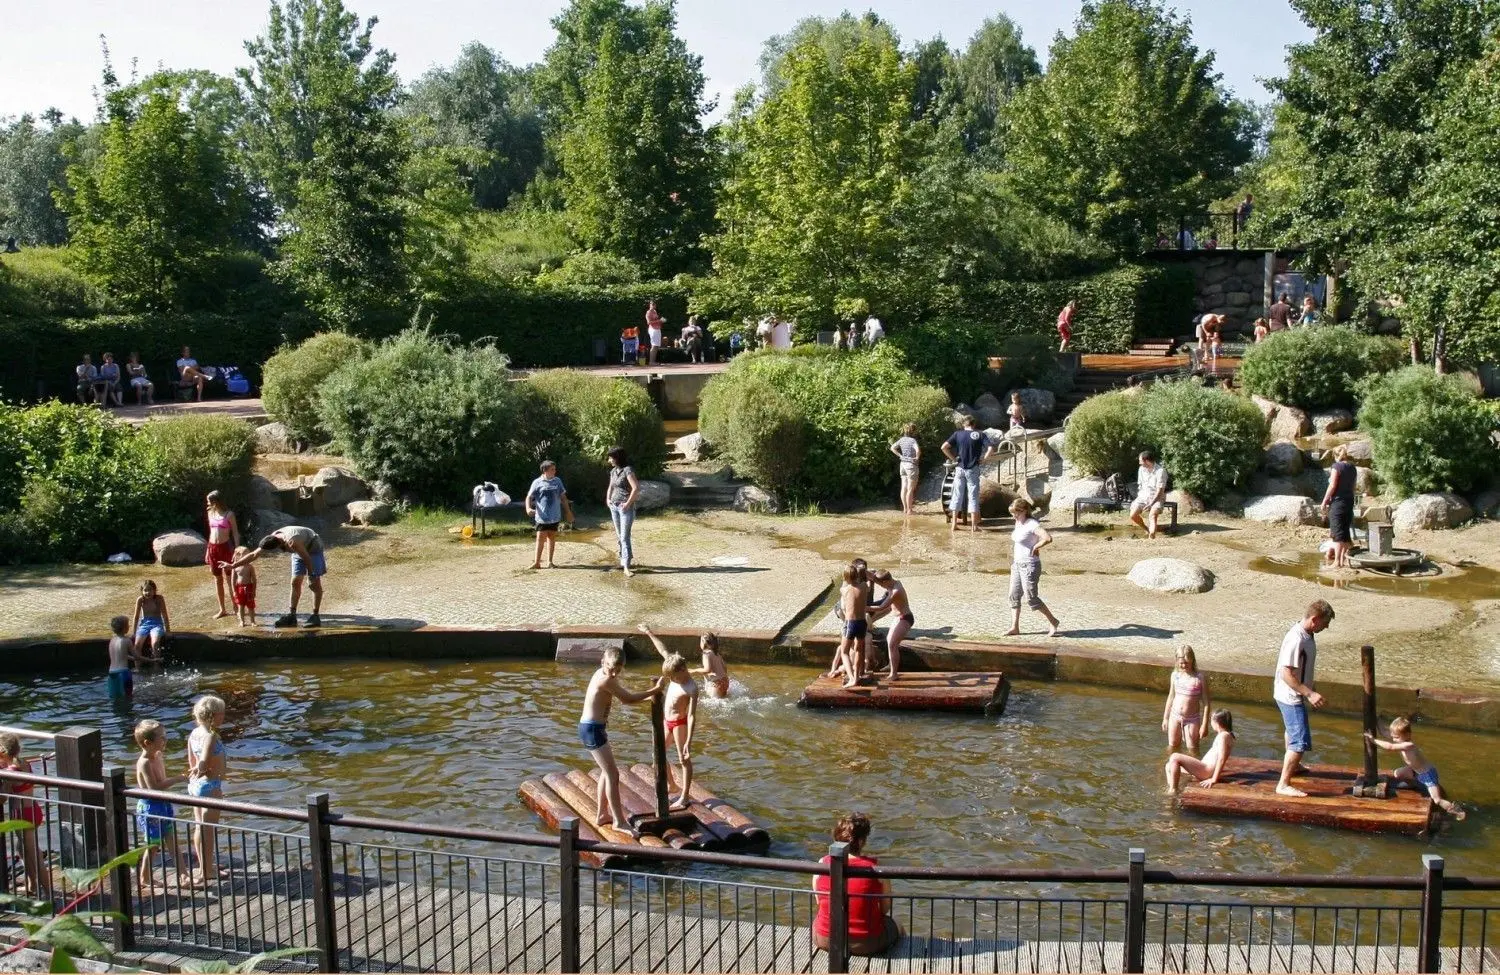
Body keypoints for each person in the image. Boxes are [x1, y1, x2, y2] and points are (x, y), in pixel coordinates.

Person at [579, 646, 664, 836]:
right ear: (603, 662)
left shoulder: (603, 674)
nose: (614, 673)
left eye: (618, 670)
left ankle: (602, 814)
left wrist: (648, 697)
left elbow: (625, 697)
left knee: (607, 772)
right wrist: (655, 690)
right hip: (592, 730)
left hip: (594, 729)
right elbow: (627, 699)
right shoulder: (605, 679)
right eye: (611, 668)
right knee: (613, 774)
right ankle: (618, 821)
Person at [812, 812, 900, 957]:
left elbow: (819, 901)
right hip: (866, 943)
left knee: (818, 919)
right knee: (897, 925)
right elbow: (885, 909)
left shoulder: (822, 863)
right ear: (861, 841)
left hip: (826, 939)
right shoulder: (876, 868)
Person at [1274, 600, 1334, 797]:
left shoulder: (1307, 634)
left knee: (1292, 731)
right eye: (1325, 623)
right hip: (1290, 696)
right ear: (1314, 619)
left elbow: (1302, 667)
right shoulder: (1296, 639)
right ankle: (1283, 784)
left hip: (1294, 693)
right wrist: (1310, 693)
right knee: (1299, 741)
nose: (1327, 627)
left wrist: (1310, 690)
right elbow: (1286, 674)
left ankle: (1295, 766)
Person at [225, 526, 326, 628]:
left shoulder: (292, 541)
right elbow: (254, 554)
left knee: (314, 584)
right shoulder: (270, 538)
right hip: (298, 551)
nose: (282, 551)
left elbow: (307, 558)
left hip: (313, 548)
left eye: (280, 548)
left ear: (280, 543)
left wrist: (311, 575)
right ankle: (292, 616)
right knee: (295, 582)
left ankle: (315, 616)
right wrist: (233, 565)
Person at [1367, 717, 1465, 819]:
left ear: (1407, 735)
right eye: (1393, 736)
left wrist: (1373, 740)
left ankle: (1455, 810)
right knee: (1397, 774)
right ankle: (1414, 781)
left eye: (1396, 737)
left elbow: (1390, 747)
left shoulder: (1409, 745)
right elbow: (1384, 731)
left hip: (1427, 775)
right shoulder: (1399, 739)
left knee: (1437, 800)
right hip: (1414, 770)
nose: (1394, 739)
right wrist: (1376, 719)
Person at [134, 719, 187, 892]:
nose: (165, 740)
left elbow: (161, 782)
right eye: (161, 738)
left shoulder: (157, 756)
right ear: (147, 743)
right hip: (151, 808)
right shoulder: (144, 762)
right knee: (153, 845)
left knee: (172, 841)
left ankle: (183, 875)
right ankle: (144, 877)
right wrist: (177, 779)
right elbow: (154, 788)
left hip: (164, 805)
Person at [186, 694, 228, 885]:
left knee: (199, 826)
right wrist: (202, 768)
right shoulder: (210, 736)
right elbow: (202, 761)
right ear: (213, 716)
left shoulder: (194, 734)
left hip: (195, 785)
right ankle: (207, 871)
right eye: (222, 713)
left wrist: (196, 770)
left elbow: (191, 760)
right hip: (210, 786)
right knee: (208, 829)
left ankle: (205, 864)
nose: (223, 716)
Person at [1005, 498, 1061, 637]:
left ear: (1024, 511)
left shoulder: (1032, 524)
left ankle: (1053, 621)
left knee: (1031, 598)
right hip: (1017, 564)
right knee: (1013, 595)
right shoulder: (1018, 522)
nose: (1014, 516)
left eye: (1016, 513)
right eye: (1012, 513)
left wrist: (1036, 546)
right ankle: (1014, 627)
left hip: (1029, 565)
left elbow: (1048, 538)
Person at [1, 734, 47, 896]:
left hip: (22, 816)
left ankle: (48, 892)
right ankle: (32, 884)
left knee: (35, 855)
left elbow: (3, 798)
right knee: (21, 848)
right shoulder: (24, 763)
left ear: (2, 751)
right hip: (34, 809)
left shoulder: (11, 772)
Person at [639, 623, 729, 698]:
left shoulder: (684, 676)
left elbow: (663, 651)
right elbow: (724, 668)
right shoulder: (717, 654)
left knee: (715, 701)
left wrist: (694, 670)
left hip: (715, 685)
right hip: (724, 681)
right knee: (722, 700)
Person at [659, 653, 699, 810]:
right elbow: (663, 651)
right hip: (666, 721)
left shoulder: (691, 688)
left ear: (682, 669)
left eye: (673, 677)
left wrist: (689, 741)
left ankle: (685, 797)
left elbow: (692, 716)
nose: (671, 680)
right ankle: (672, 785)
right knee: (659, 754)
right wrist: (651, 637)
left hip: (679, 724)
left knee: (684, 759)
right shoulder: (674, 673)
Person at [942, 416, 993, 534]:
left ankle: (954, 525)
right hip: (973, 468)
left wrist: (953, 459)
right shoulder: (980, 434)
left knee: (957, 495)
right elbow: (991, 448)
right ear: (973, 424)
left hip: (960, 468)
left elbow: (944, 447)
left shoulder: (957, 434)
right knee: (973, 496)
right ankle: (974, 527)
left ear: (964, 424)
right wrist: (984, 459)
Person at [1165, 709, 1236, 792]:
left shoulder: (1223, 736)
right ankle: (1171, 787)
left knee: (1174, 756)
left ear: (1217, 722)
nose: (1210, 723)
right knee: (1169, 766)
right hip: (1204, 769)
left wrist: (1214, 779)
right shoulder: (1226, 735)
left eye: (1211, 720)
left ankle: (1173, 790)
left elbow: (1221, 759)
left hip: (1206, 771)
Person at [1161, 645, 1210, 754]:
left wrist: (1204, 725)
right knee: (1172, 746)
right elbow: (1171, 697)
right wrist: (1165, 718)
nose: (1184, 665)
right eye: (1181, 663)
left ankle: (1193, 765)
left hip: (1192, 719)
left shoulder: (1199, 678)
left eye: (1186, 663)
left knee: (1193, 749)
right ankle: (1169, 764)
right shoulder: (1175, 675)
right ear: (1177, 662)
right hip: (1174, 716)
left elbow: (1206, 703)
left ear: (1192, 660)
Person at [525, 460, 573, 570]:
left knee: (551, 537)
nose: (555, 471)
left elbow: (563, 498)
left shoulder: (557, 481)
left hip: (554, 516)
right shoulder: (537, 482)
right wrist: (528, 508)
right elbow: (529, 497)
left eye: (555, 469)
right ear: (545, 470)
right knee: (540, 538)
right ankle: (537, 563)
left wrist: (568, 512)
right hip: (542, 517)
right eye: (552, 469)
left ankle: (550, 562)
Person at [867, 569, 913, 679]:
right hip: (898, 617)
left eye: (881, 585)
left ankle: (894, 674)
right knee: (890, 642)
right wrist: (863, 572)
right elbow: (875, 578)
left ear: (885, 582)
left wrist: (861, 607)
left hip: (905, 618)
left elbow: (881, 607)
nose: (881, 587)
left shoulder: (896, 590)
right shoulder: (892, 582)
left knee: (892, 644)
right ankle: (892, 668)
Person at [830, 563, 868, 688]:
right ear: (857, 575)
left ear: (845, 577)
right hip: (862, 623)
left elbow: (843, 584)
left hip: (851, 623)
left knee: (844, 652)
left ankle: (851, 678)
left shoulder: (844, 590)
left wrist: (846, 577)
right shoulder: (864, 586)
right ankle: (857, 676)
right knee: (859, 650)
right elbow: (864, 579)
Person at [204, 491, 241, 619]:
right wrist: (207, 551)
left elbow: (235, 533)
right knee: (217, 579)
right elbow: (211, 532)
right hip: (213, 548)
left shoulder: (229, 514)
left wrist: (237, 550)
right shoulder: (210, 513)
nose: (207, 503)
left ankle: (236, 607)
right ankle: (222, 609)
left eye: (209, 501)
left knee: (230, 579)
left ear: (216, 501)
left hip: (225, 548)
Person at [1320, 445, 1358, 568]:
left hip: (1338, 502)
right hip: (1349, 502)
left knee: (1337, 534)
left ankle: (1336, 562)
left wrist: (1325, 501)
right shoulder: (1353, 468)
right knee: (1345, 533)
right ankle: (1341, 561)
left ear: (1336, 456)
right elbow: (1353, 487)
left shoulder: (1336, 467)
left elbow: (1332, 485)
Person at [606, 447, 639, 576]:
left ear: (617, 458)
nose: (609, 460)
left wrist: (628, 504)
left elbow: (635, 488)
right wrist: (608, 499)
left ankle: (626, 566)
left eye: (611, 458)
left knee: (625, 537)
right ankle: (623, 559)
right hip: (614, 506)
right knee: (620, 536)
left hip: (625, 508)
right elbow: (611, 486)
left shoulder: (627, 470)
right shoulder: (613, 471)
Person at [1128, 451, 1169, 540]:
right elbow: (1140, 486)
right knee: (1133, 515)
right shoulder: (1141, 469)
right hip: (1143, 497)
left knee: (1152, 515)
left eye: (1140, 461)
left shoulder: (1161, 471)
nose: (1139, 463)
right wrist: (1139, 498)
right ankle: (1147, 529)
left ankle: (1152, 537)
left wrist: (1151, 504)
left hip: (1157, 497)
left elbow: (1160, 491)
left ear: (1146, 461)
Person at [133, 579, 171, 662]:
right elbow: (136, 617)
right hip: (144, 625)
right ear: (142, 591)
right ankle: (138, 667)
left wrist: (168, 631)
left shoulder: (159, 599)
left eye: (150, 590)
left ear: (154, 590)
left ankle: (156, 666)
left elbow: (165, 615)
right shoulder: (140, 600)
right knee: (137, 645)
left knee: (155, 643)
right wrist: (134, 632)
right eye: (145, 590)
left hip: (157, 624)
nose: (147, 592)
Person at [889, 423, 920, 516]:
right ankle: (910, 510)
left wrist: (900, 455)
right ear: (913, 431)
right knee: (910, 489)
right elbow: (918, 450)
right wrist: (917, 457)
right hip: (911, 465)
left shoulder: (901, 440)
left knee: (904, 488)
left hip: (902, 465)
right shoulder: (913, 440)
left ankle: (905, 509)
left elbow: (892, 448)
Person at [106, 614, 134, 700]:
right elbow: (137, 656)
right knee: (128, 698)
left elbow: (121, 655)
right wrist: (152, 660)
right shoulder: (127, 640)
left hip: (111, 673)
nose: (129, 626)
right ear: (124, 628)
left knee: (115, 699)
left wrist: (132, 658)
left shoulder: (112, 640)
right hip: (123, 673)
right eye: (128, 624)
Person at [231, 546, 257, 627]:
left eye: (248, 555)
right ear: (238, 556)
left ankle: (252, 621)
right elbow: (233, 580)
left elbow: (254, 580)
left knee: (251, 606)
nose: (248, 556)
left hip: (249, 588)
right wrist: (234, 591)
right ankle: (242, 621)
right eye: (245, 554)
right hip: (239, 589)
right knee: (240, 606)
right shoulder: (235, 567)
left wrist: (254, 590)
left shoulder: (250, 567)